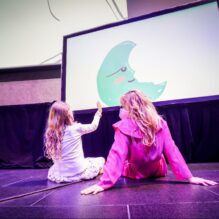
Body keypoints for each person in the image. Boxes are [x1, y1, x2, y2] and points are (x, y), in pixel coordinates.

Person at [81, 90, 217, 195]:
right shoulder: (160, 122)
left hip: (135, 174)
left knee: (109, 165)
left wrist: (103, 184)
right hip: (158, 171)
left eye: (122, 106)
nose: (120, 109)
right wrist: (189, 177)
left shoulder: (123, 126)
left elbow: (117, 155)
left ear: (131, 109)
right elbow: (172, 151)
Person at [44, 101, 105, 183]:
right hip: (78, 171)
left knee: (54, 168)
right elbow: (93, 126)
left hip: (62, 173)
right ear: (68, 114)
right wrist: (98, 113)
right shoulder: (75, 128)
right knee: (101, 160)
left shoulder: (50, 132)